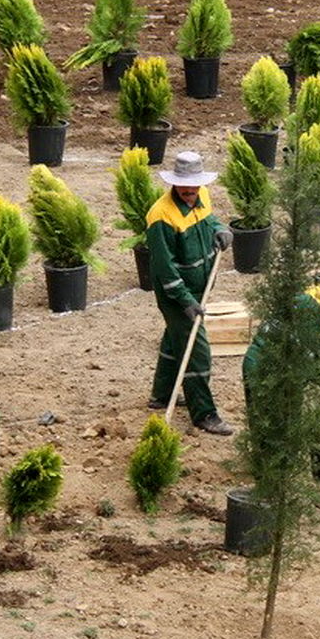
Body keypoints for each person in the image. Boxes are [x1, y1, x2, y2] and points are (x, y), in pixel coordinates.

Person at [144, 151, 235, 435]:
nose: (189, 192)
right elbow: (164, 268)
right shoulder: (161, 217)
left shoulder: (202, 196)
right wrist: (185, 301)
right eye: (185, 187)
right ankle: (204, 414)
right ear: (174, 183)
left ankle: (161, 395)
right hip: (177, 294)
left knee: (176, 338)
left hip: (199, 285)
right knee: (197, 351)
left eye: (194, 187)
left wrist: (221, 230)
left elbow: (210, 220)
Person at [242, 265, 320, 404]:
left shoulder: (302, 293)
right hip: (284, 376)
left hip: (252, 362)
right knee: (286, 422)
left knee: (259, 421)